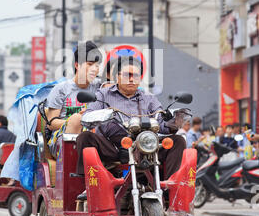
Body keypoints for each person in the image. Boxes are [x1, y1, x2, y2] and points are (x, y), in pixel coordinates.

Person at [76, 56, 186, 195]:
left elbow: (162, 122)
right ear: (117, 76)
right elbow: (87, 116)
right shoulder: (103, 94)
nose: (132, 79)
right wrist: (103, 115)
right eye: (127, 75)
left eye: (135, 76)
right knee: (85, 137)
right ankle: (87, 185)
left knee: (178, 141)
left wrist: (174, 122)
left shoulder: (148, 97)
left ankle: (170, 189)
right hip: (114, 145)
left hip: (145, 144)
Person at [46, 41, 103, 158]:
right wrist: (75, 122)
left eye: (96, 65)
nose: (94, 69)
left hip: (92, 138)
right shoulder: (61, 89)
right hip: (63, 139)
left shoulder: (100, 87)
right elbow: (51, 123)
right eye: (90, 64)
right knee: (77, 120)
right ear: (77, 65)